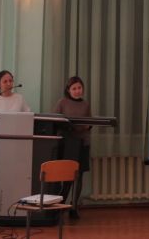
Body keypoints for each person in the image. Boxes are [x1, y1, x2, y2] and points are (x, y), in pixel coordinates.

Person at [53, 76, 92, 219]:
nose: (77, 91)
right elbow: (54, 121)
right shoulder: (62, 102)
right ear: (68, 90)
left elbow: (89, 123)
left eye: (79, 88)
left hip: (82, 143)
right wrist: (70, 127)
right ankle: (59, 206)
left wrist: (84, 127)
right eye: (74, 88)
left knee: (79, 175)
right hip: (66, 144)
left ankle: (74, 207)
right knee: (67, 175)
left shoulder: (86, 105)